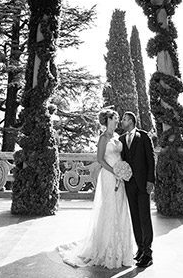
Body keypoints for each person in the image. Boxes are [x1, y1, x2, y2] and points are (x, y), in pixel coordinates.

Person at [58, 108, 137, 268]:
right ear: (107, 121)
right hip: (108, 176)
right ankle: (106, 249)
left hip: (119, 177)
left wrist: (122, 171)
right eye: (115, 118)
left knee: (121, 208)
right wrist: (114, 171)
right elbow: (100, 159)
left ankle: (121, 250)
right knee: (109, 208)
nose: (117, 121)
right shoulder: (103, 138)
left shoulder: (116, 137)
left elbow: (121, 156)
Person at [118, 110, 155, 268]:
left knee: (144, 217)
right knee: (135, 216)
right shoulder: (121, 139)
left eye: (124, 119)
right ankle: (140, 248)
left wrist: (150, 180)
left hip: (143, 183)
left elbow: (151, 158)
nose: (122, 121)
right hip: (129, 184)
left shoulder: (143, 136)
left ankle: (148, 253)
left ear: (131, 121)